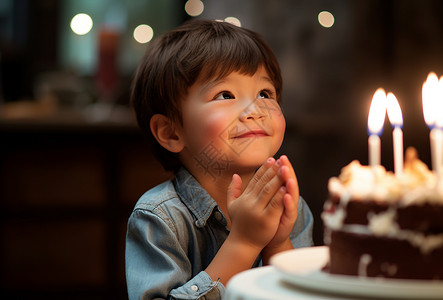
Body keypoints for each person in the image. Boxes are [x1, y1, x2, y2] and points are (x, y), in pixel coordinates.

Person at [125, 19, 314, 300]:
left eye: (265, 93)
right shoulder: (159, 218)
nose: (255, 110)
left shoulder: (289, 205)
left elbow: (309, 294)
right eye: (225, 95)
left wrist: (277, 242)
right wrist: (245, 242)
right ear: (171, 132)